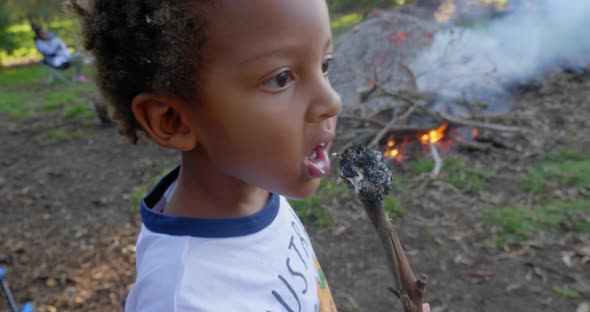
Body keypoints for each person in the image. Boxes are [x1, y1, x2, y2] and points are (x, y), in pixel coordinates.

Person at [69, 0, 432, 311]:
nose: (332, 101)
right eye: (280, 78)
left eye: (324, 65)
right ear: (174, 121)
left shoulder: (258, 190)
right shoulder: (186, 299)